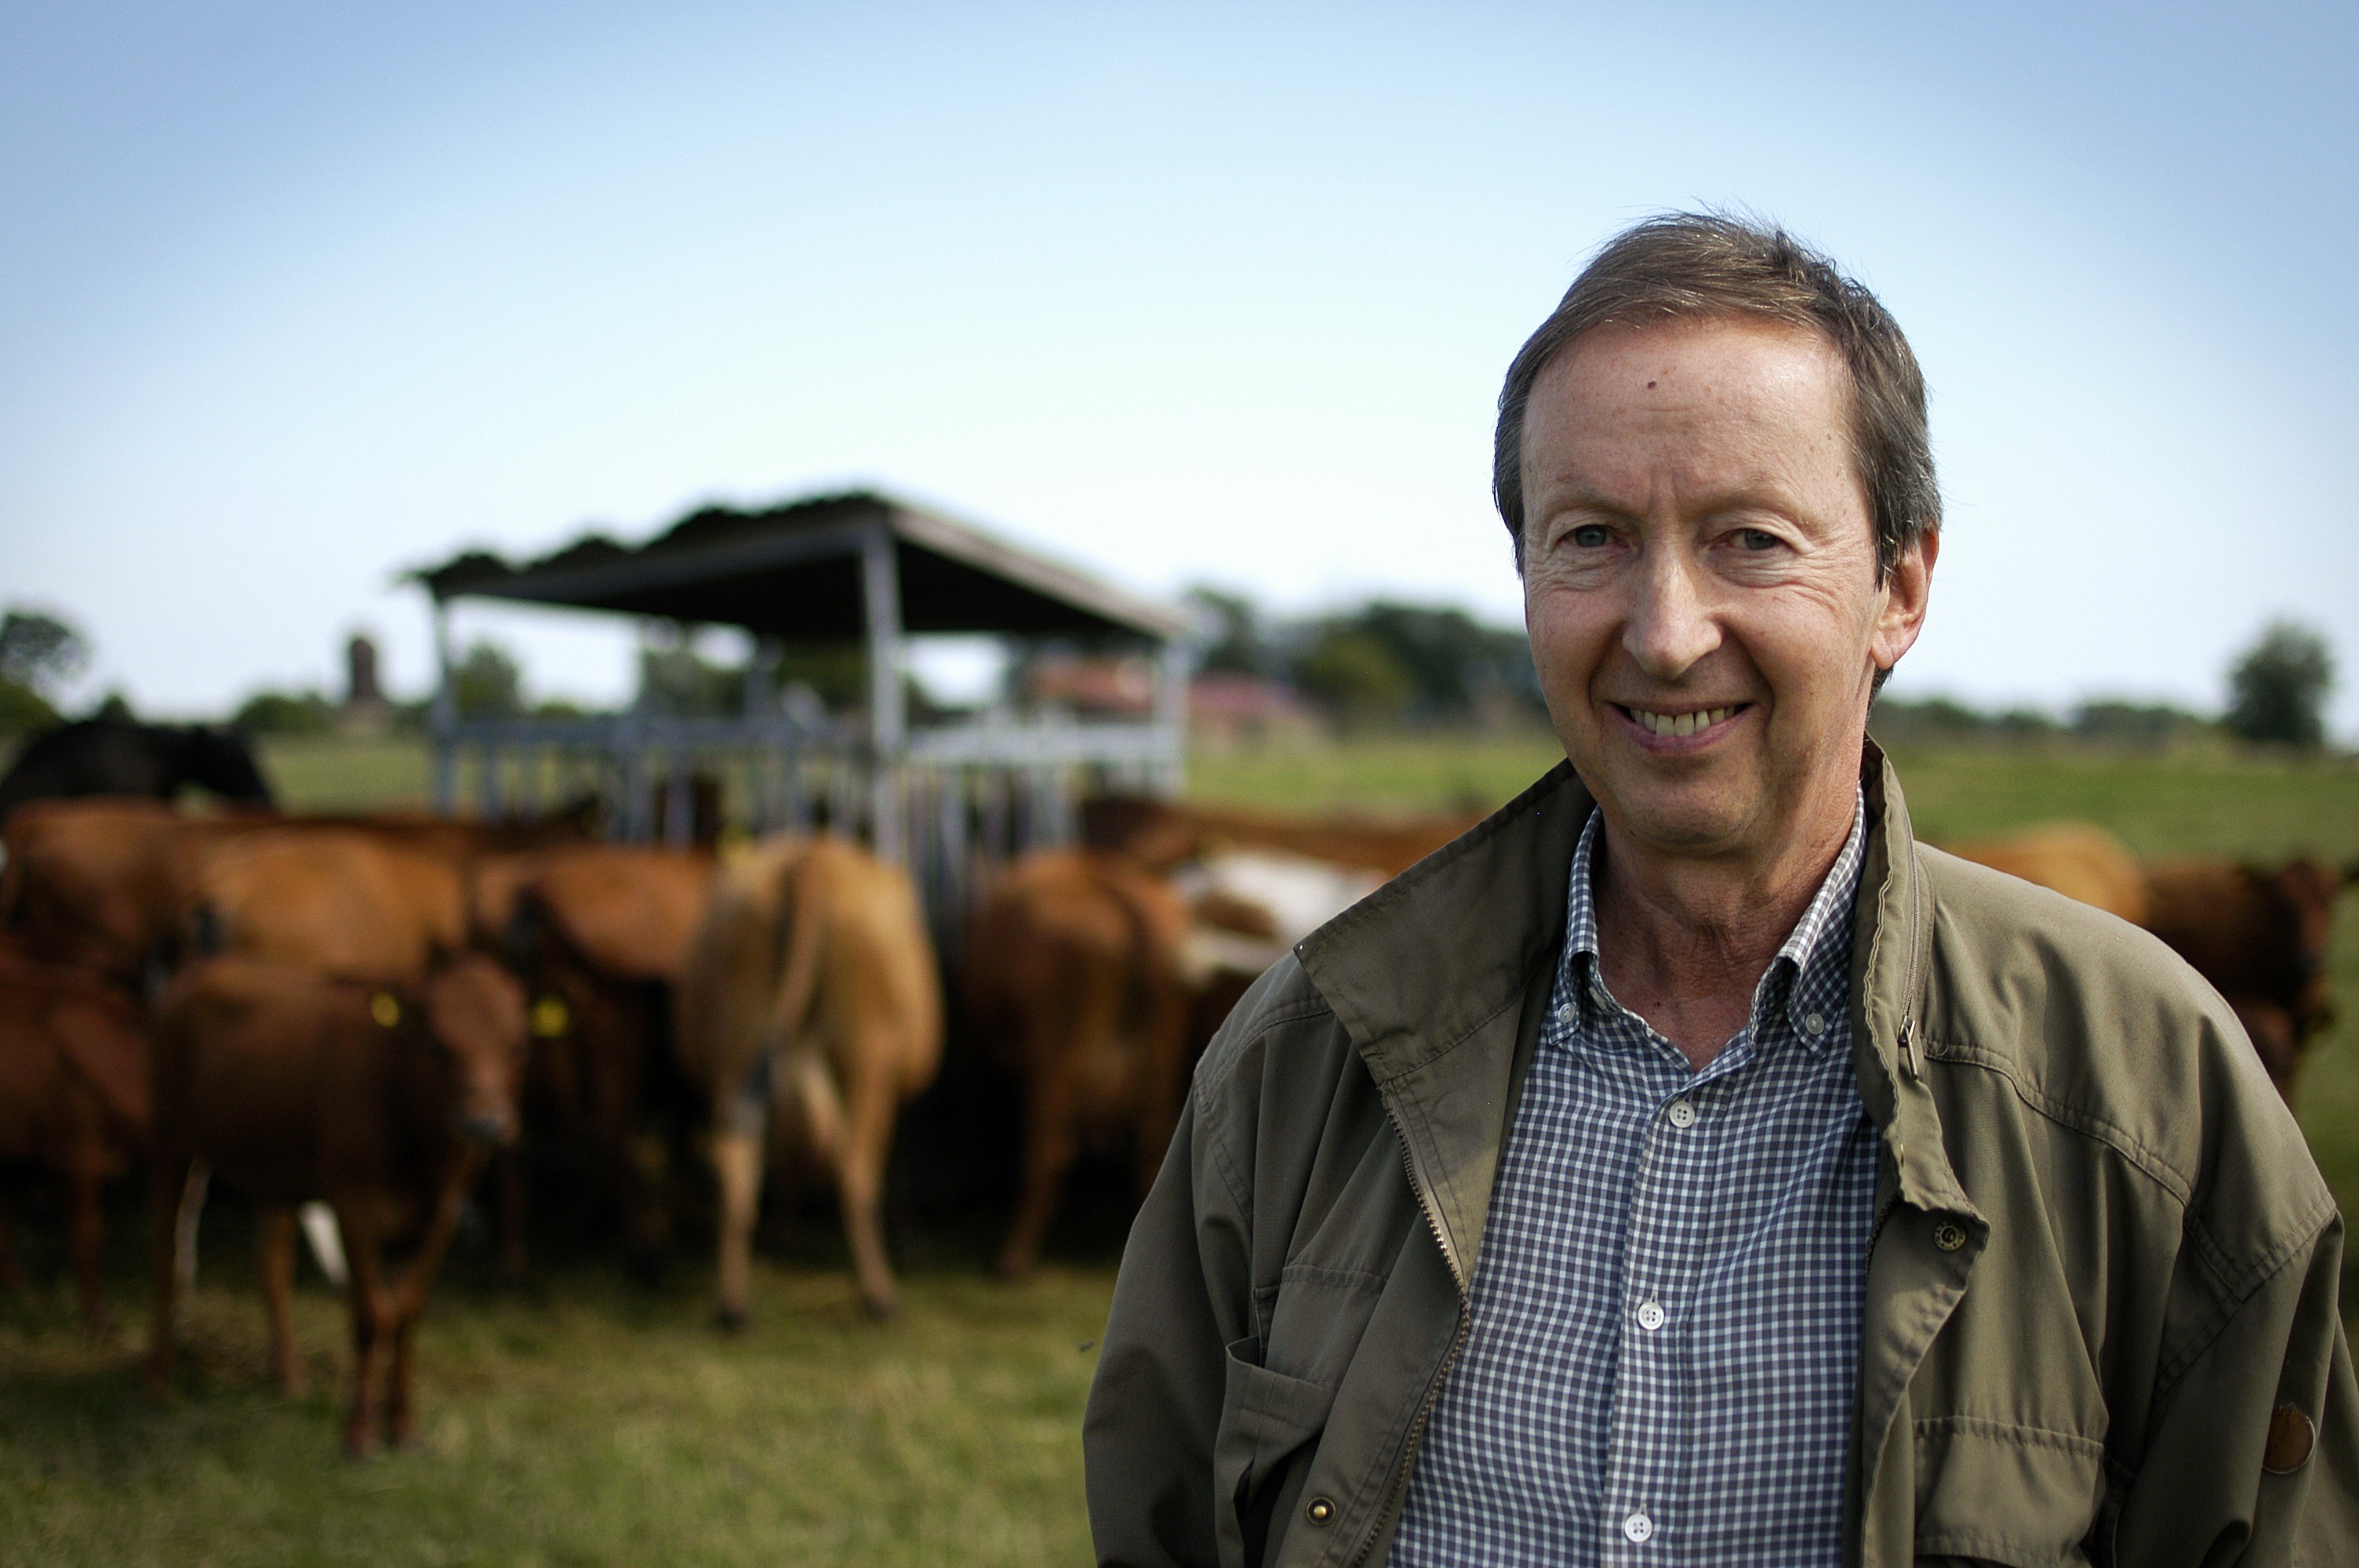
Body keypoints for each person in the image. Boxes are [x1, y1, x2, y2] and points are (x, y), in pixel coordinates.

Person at [1082, 212, 2359, 1566]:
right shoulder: (1308, 1053)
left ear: (1900, 588)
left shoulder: (2148, 1091)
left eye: (1750, 539)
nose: (1667, 633)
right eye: (1592, 538)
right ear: (1524, 577)